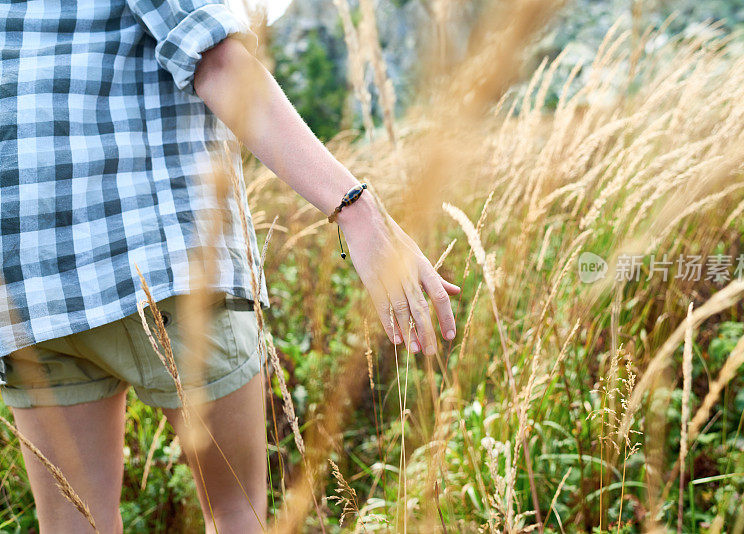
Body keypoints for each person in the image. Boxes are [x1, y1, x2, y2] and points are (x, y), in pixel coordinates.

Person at [0, 0, 460, 532]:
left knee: (76, 524)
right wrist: (356, 211)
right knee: (234, 510)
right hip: (164, 256)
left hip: (27, 283)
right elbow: (219, 65)